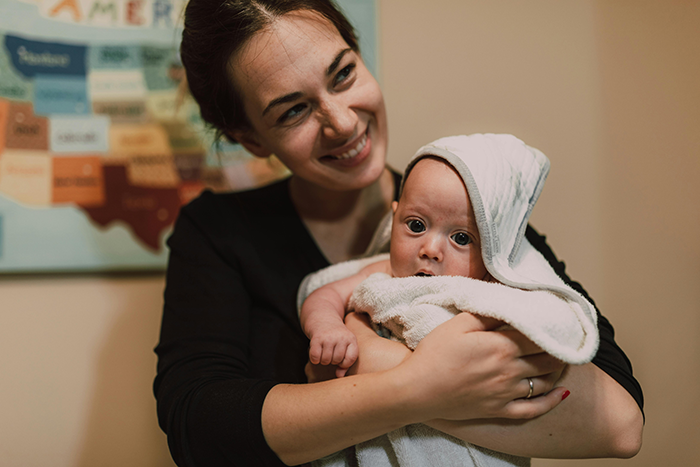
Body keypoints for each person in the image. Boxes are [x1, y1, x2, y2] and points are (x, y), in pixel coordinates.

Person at [154, 1, 644, 466]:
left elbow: (621, 424)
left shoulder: (477, 216)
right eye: (293, 111)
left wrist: (367, 367)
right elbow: (200, 428)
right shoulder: (219, 235)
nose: (342, 123)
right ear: (252, 139)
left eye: (343, 74)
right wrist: (419, 388)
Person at [298, 134, 601, 466]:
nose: (430, 249)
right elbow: (324, 294)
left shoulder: (496, 293)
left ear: (492, 251)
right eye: (416, 225)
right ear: (394, 219)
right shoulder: (381, 272)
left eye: (460, 238)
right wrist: (327, 327)